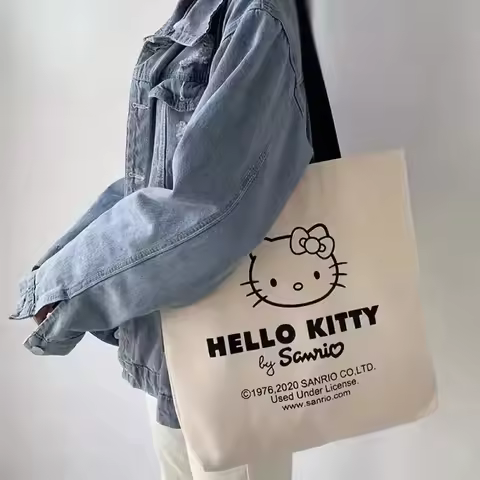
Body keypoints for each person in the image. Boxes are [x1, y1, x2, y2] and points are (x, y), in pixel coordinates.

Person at [10, 0, 338, 478]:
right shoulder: (213, 8)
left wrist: (71, 287)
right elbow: (150, 183)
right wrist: (61, 271)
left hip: (235, 365)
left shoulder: (254, 16)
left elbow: (203, 206)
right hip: (177, 348)